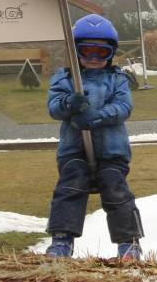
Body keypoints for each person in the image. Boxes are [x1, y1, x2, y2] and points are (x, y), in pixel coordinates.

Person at [45, 14, 144, 260]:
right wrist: (69, 103)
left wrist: (97, 117)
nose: (93, 58)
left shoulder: (118, 79)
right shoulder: (65, 79)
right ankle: (61, 241)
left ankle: (129, 244)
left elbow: (124, 107)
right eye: (86, 51)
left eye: (101, 52)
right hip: (74, 149)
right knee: (69, 186)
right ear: (75, 52)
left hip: (111, 150)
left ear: (111, 53)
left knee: (116, 189)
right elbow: (54, 107)